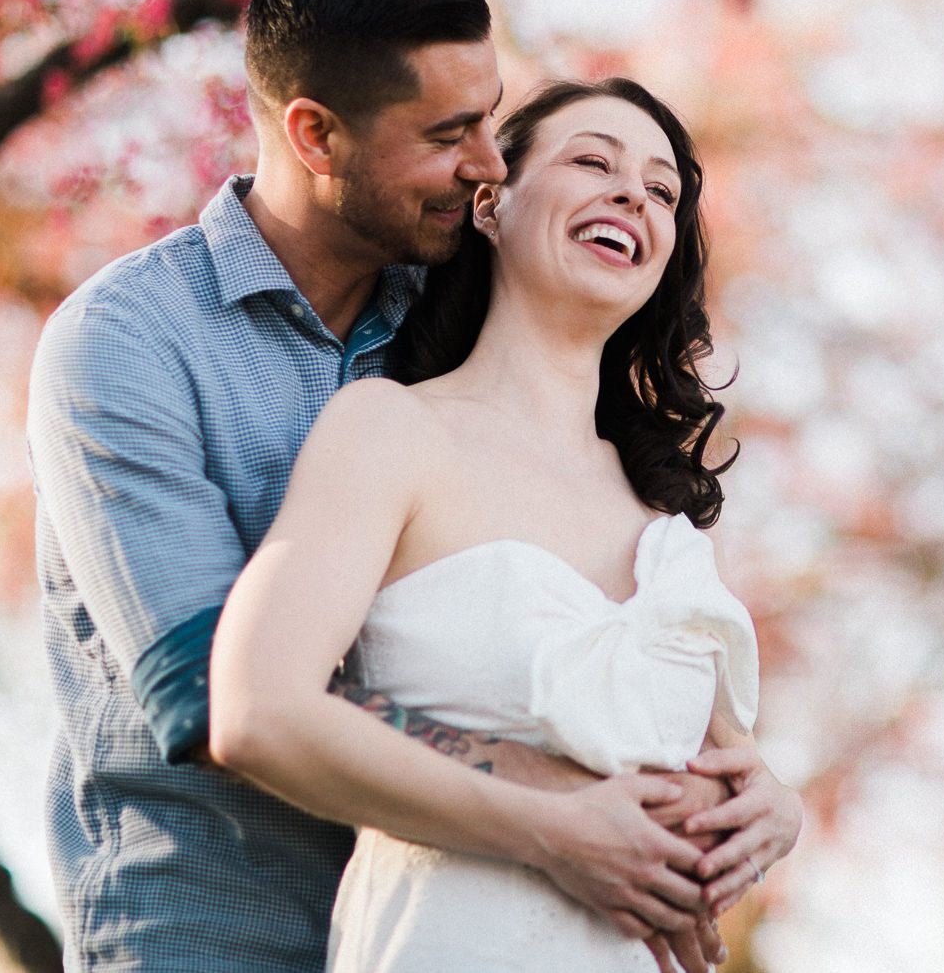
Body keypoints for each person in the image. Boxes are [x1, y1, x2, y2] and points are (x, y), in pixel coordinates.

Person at [27, 0, 767, 972]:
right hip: (212, 928)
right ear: (317, 134)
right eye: (450, 132)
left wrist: (736, 789)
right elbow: (215, 694)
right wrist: (568, 798)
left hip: (471, 914)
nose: (487, 162)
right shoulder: (129, 342)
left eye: (492, 118)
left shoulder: (457, 314)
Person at [209, 76, 803, 971]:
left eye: (662, 189)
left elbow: (720, 776)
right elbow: (258, 711)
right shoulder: (391, 429)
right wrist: (550, 831)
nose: (632, 193)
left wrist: (773, 809)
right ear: (489, 204)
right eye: (592, 161)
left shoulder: (671, 521)